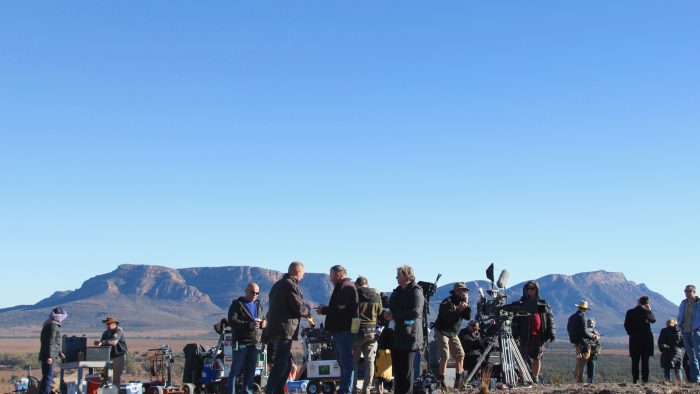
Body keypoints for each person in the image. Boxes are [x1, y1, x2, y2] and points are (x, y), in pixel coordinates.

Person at [264, 261, 311, 394]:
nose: (302, 277)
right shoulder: (290, 286)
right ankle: (271, 391)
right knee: (280, 365)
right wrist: (307, 311)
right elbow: (297, 307)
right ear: (297, 272)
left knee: (286, 364)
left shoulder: (277, 285)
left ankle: (278, 390)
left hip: (276, 330)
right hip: (284, 330)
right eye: (302, 274)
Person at [315, 265, 358, 394]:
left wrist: (324, 310)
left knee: (346, 362)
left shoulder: (346, 287)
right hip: (340, 330)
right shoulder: (343, 287)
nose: (330, 279)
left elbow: (339, 307)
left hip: (344, 330)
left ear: (339, 274)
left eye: (331, 275)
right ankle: (344, 388)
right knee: (342, 361)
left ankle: (346, 390)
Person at [383, 265, 424, 394]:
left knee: (406, 371)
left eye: (399, 275)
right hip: (396, 335)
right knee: (398, 371)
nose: (396, 278)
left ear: (407, 276)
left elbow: (415, 312)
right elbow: (391, 306)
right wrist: (386, 314)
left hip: (409, 336)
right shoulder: (397, 292)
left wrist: (394, 315)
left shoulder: (416, 291)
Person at [511, 280, 555, 383]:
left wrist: (551, 333)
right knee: (523, 358)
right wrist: (515, 333)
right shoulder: (521, 303)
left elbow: (550, 318)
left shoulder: (543, 303)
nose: (529, 290)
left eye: (532, 288)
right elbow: (515, 320)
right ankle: (523, 378)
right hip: (525, 335)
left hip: (539, 335)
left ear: (536, 289)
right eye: (527, 288)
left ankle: (535, 378)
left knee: (537, 357)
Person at [227, 282, 266, 394]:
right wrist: (248, 325)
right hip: (240, 343)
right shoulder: (237, 304)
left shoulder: (258, 305)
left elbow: (263, 318)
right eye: (252, 292)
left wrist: (264, 323)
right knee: (235, 371)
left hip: (254, 343)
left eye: (257, 293)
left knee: (250, 372)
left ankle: (247, 392)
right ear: (246, 291)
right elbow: (232, 321)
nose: (255, 294)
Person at [434, 282, 471, 389]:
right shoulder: (447, 302)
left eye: (465, 291)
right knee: (445, 355)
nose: (463, 292)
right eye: (461, 290)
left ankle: (458, 381)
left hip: (452, 332)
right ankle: (441, 381)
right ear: (456, 291)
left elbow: (468, 317)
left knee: (460, 354)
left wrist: (466, 304)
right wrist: (458, 310)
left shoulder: (462, 302)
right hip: (442, 330)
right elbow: (447, 319)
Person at [352, 276, 382, 394]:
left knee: (354, 362)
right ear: (367, 284)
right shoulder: (377, 295)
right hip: (372, 333)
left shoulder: (355, 295)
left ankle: (353, 389)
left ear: (357, 285)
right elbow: (380, 312)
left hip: (357, 332)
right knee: (370, 362)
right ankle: (366, 389)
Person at [624, 295, 656, 384]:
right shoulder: (647, 312)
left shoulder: (630, 312)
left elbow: (626, 325)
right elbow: (653, 320)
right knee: (645, 361)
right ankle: (645, 380)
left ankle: (635, 380)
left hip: (634, 339)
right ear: (647, 303)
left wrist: (631, 333)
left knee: (635, 361)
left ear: (638, 302)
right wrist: (649, 310)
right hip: (647, 340)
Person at [567, 300, 599, 383]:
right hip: (583, 343)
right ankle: (579, 380)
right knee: (583, 361)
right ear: (585, 309)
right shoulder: (583, 317)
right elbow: (584, 332)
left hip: (576, 342)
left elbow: (569, 329)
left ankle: (577, 377)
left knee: (579, 361)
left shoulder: (571, 317)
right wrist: (593, 336)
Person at [39, 307, 67, 394]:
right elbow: (50, 342)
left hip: (48, 354)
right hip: (49, 356)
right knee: (48, 377)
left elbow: (53, 343)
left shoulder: (49, 325)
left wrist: (59, 353)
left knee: (47, 377)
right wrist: (49, 356)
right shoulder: (53, 326)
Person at [95, 316, 128, 386]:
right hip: (108, 357)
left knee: (116, 377)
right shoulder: (105, 333)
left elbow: (114, 342)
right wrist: (98, 343)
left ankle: (116, 391)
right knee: (104, 377)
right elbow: (102, 343)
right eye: (106, 324)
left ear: (114, 324)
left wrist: (102, 342)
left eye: (108, 324)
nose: (107, 326)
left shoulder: (119, 330)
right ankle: (104, 388)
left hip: (118, 356)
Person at [678, 284, 700, 383]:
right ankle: (696, 379)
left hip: (696, 331)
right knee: (691, 357)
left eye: (689, 291)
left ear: (694, 292)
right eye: (685, 291)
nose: (686, 293)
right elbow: (680, 315)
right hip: (685, 331)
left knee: (698, 355)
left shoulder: (698, 303)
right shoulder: (683, 303)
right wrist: (680, 325)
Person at [458, 320, 485, 385]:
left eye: (477, 329)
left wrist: (483, 341)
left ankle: (482, 380)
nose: (476, 331)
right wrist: (479, 342)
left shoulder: (477, 333)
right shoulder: (463, 333)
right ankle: (471, 380)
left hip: (477, 355)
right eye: (475, 329)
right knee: (475, 362)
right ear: (470, 326)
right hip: (467, 356)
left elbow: (481, 346)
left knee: (485, 364)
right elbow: (466, 345)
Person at [658, 318, 684, 382]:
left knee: (667, 369)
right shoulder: (680, 331)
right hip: (678, 353)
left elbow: (661, 343)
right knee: (678, 369)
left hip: (667, 352)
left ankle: (668, 384)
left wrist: (664, 347)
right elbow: (683, 344)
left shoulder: (664, 331)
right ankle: (679, 384)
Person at [584, 318, 602, 384]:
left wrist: (595, 351)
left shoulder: (596, 333)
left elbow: (598, 345)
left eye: (592, 323)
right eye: (589, 323)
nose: (591, 325)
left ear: (594, 324)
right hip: (584, 353)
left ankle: (590, 382)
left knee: (591, 368)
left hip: (592, 354)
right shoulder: (585, 332)